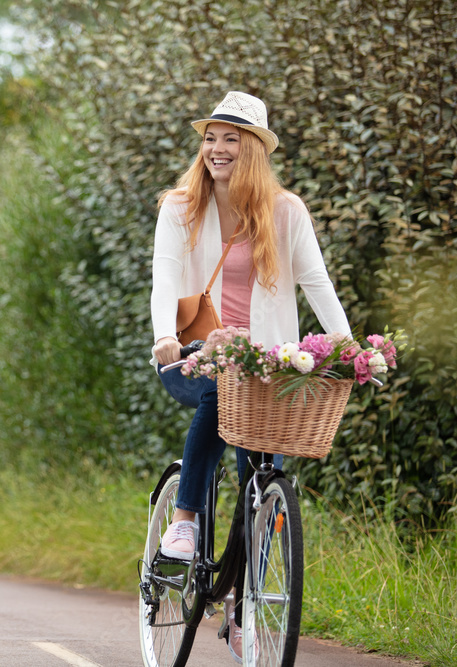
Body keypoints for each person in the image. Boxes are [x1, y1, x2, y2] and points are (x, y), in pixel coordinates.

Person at [149, 91, 350, 659]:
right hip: (192, 353)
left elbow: (317, 283)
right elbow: (165, 277)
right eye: (210, 138)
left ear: (255, 148)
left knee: (264, 470)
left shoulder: (285, 212)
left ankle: (244, 598)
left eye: (230, 139)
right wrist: (167, 335)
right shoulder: (180, 207)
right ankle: (185, 518)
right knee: (217, 388)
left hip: (266, 363)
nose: (216, 149)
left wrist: (352, 351)